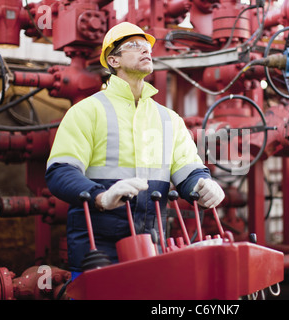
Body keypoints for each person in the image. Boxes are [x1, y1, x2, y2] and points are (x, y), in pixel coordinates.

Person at [45, 22, 225, 278]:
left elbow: (189, 169)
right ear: (113, 60)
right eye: (134, 46)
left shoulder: (168, 119)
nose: (145, 51)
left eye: (147, 47)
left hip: (152, 244)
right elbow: (59, 172)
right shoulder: (87, 111)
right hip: (97, 247)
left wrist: (203, 185)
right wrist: (101, 197)